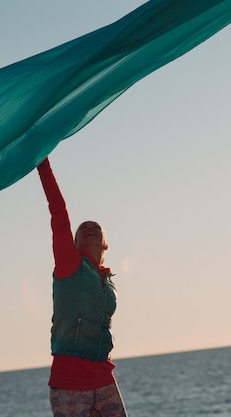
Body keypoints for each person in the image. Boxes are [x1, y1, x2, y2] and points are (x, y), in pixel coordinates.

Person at [37, 157, 127, 417]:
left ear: (104, 244)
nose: (89, 228)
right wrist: (43, 165)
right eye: (83, 228)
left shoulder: (108, 281)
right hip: (70, 380)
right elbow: (58, 212)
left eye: (95, 227)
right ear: (73, 242)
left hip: (103, 375)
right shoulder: (69, 263)